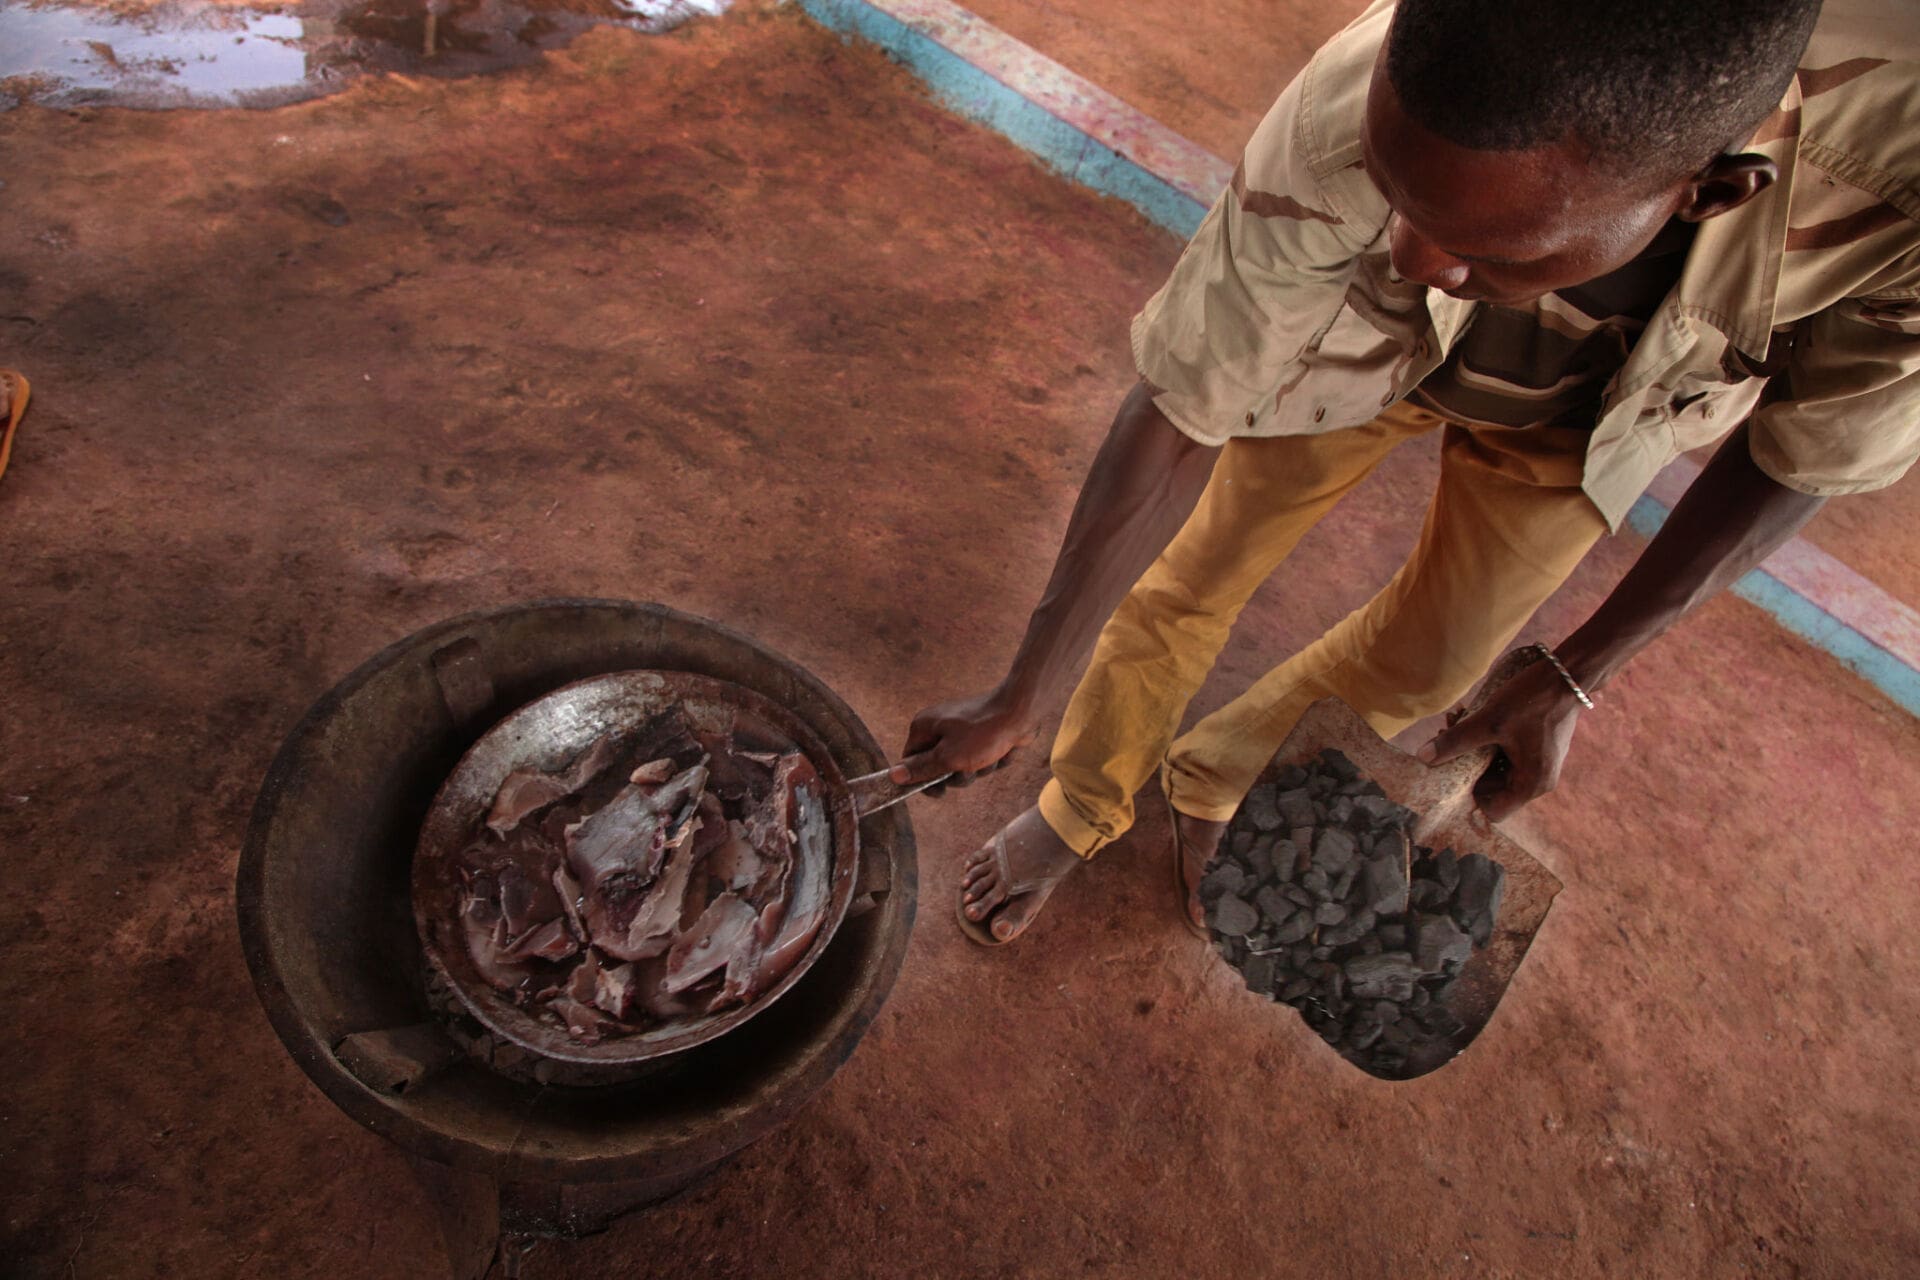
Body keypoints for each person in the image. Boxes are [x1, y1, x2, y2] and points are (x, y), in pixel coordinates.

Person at [890, 0, 1920, 944]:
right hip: (1360, 351)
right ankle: (1079, 803)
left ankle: (1216, 781)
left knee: (1432, 663)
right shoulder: (1363, 102)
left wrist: (1572, 675)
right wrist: (1022, 694)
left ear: (1709, 192)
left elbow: (1806, 454)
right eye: (1395, 193)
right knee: (1197, 572)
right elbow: (1180, 418)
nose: (1414, 255)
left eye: (1486, 248)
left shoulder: (1898, 191)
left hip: (1597, 417)